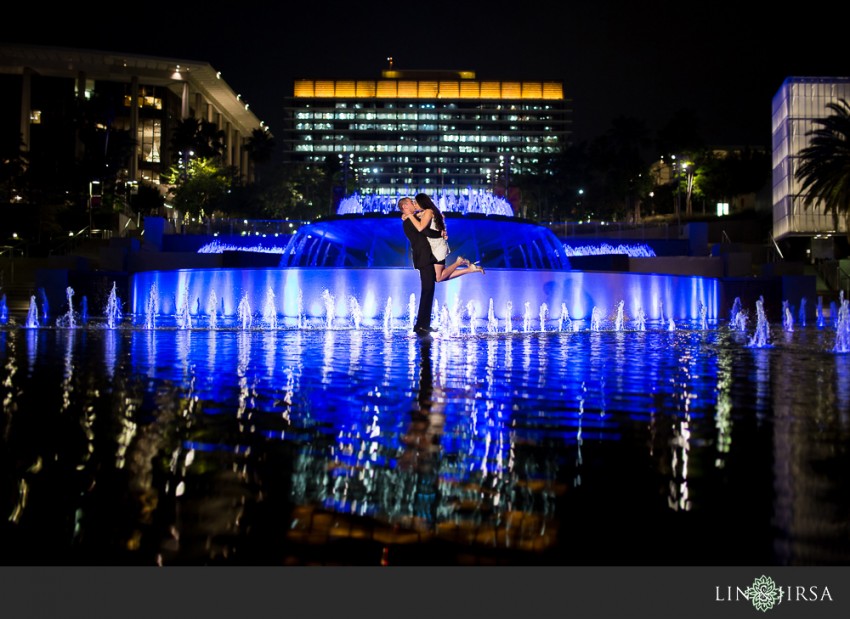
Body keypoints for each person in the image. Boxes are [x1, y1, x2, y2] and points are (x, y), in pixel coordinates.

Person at [405, 192, 485, 282]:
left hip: (437, 247)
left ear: (422, 202)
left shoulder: (428, 211)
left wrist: (410, 216)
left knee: (438, 278)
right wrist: (409, 216)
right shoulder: (426, 212)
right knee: (437, 277)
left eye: (416, 203)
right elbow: (407, 217)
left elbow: (420, 227)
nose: (414, 205)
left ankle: (458, 262)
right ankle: (470, 269)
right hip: (435, 247)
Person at [399, 196, 442, 336]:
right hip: (424, 257)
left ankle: (422, 324)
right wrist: (440, 233)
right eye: (411, 203)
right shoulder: (410, 221)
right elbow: (425, 231)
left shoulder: (410, 218)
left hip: (424, 257)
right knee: (427, 290)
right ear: (405, 206)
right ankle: (421, 325)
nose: (414, 204)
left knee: (428, 290)